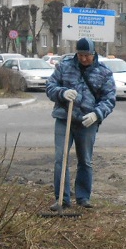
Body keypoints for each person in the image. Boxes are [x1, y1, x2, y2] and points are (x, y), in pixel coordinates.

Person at [45, 38, 116, 209]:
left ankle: (83, 197)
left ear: (94, 54)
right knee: (60, 159)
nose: (84, 59)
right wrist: (62, 93)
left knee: (85, 160)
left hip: (87, 122)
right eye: (81, 55)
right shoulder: (65, 66)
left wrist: (96, 114)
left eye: (87, 55)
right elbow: (49, 86)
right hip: (64, 118)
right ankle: (62, 198)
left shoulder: (104, 72)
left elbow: (109, 99)